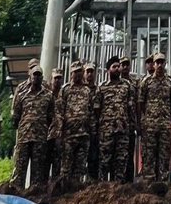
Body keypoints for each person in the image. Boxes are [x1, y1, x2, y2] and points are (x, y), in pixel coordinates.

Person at [11, 65, 53, 191]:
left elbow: (50, 117)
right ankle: (16, 195)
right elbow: (16, 116)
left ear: (42, 77)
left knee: (37, 172)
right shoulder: (21, 94)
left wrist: (41, 127)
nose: (36, 77)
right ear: (30, 76)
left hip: (39, 139)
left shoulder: (48, 96)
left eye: (39, 75)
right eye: (34, 74)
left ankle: (35, 197)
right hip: (24, 138)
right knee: (19, 171)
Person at [95, 55, 136, 182]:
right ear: (108, 70)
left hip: (123, 130)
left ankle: (118, 190)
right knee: (104, 162)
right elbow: (97, 108)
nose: (117, 69)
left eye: (118, 66)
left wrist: (130, 125)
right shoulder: (102, 87)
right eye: (114, 67)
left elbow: (131, 107)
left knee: (121, 161)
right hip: (106, 131)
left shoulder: (127, 86)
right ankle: (103, 189)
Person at [139, 51, 171, 180]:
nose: (159, 65)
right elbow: (141, 102)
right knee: (149, 155)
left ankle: (164, 182)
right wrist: (147, 118)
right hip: (150, 125)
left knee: (164, 155)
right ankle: (149, 182)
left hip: (165, 125)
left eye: (162, 62)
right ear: (153, 65)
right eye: (157, 62)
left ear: (165, 64)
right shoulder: (146, 82)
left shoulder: (170, 82)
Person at [60, 60, 94, 190]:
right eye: (75, 72)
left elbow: (91, 111)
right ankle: (64, 191)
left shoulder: (87, 90)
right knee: (66, 168)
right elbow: (59, 112)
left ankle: (76, 193)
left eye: (80, 71)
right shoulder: (66, 90)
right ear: (71, 74)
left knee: (79, 168)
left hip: (83, 134)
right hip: (69, 136)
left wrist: (91, 129)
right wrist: (60, 133)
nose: (78, 74)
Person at [46, 68, 64, 183]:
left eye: (59, 78)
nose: (57, 81)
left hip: (59, 135)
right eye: (55, 78)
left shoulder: (64, 95)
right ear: (50, 80)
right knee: (45, 165)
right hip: (47, 135)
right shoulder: (46, 95)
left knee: (57, 166)